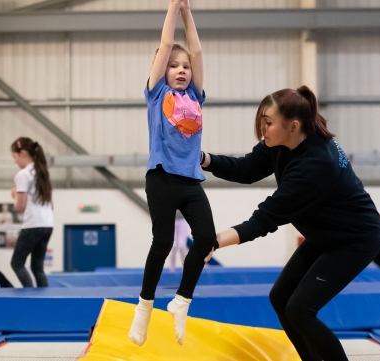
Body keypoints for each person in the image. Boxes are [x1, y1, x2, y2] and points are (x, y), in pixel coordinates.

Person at [201, 86, 380, 361]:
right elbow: (246, 169)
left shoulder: (315, 166)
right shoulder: (281, 143)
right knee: (281, 297)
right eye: (262, 120)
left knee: (300, 310)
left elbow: (264, 219)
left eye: (269, 123)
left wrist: (214, 242)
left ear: (293, 126)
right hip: (326, 235)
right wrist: (205, 160)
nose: (263, 129)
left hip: (354, 239)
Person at [128, 0, 217, 347]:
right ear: (161, 70)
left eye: (185, 67)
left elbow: (196, 50)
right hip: (162, 177)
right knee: (163, 241)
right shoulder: (157, 94)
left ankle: (180, 302)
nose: (181, 70)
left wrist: (188, 13)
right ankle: (144, 310)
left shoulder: (195, 95)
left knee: (206, 239)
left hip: (191, 179)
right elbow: (167, 45)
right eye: (173, 66)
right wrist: (173, 7)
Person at [10, 137, 54, 288]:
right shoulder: (42, 172)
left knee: (17, 263)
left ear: (22, 153)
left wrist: (15, 196)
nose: (15, 162)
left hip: (33, 225)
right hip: (47, 224)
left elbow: (20, 207)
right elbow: (51, 205)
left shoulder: (23, 174)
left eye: (15, 157)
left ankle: (29, 296)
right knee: (37, 267)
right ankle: (44, 299)